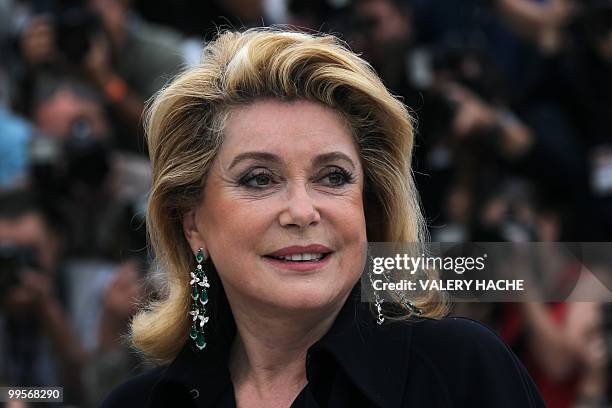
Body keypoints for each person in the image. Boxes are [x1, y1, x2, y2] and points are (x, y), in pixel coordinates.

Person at [101, 27, 545, 407]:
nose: (302, 211)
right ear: (191, 221)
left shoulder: (461, 371)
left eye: (333, 177)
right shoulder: (139, 403)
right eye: (259, 179)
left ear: (368, 206)